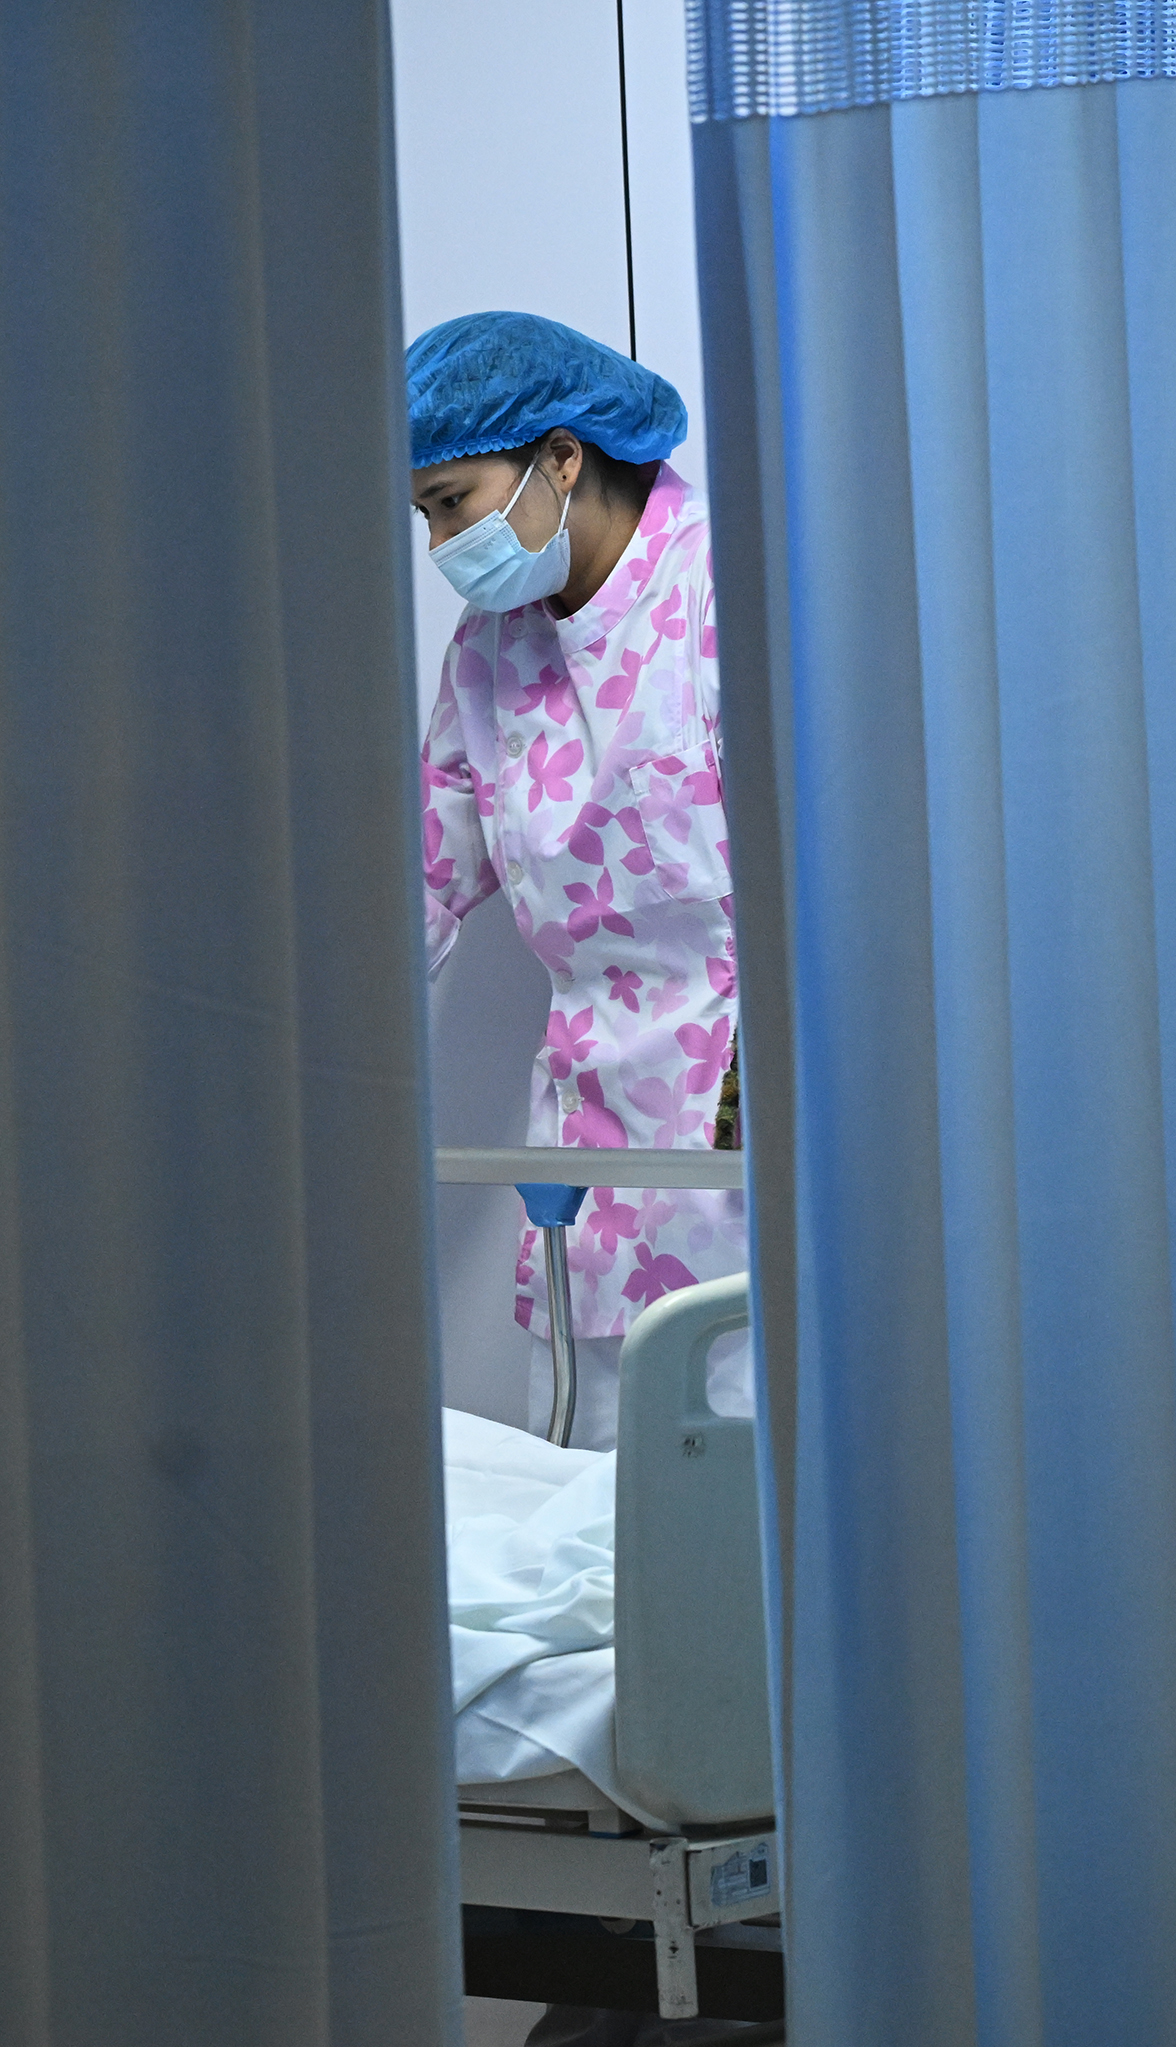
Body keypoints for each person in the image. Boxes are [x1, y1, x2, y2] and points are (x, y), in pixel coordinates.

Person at [410, 311, 742, 1456]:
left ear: (559, 458)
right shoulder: (488, 648)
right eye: (422, 514)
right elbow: (419, 875)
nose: (439, 541)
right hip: (586, 1155)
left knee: (752, 1484)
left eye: (450, 501)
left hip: (752, 1120)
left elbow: (848, 870)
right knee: (603, 1497)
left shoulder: (723, 590)